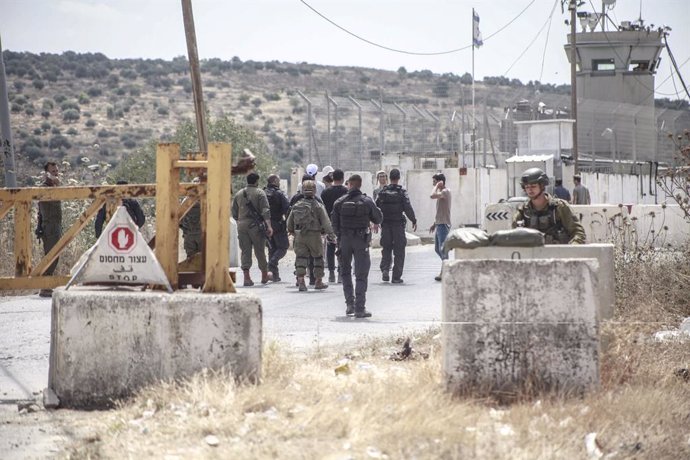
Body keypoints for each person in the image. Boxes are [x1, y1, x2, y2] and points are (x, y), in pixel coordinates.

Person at [332, 174, 383, 318]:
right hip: (361, 240)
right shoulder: (367, 201)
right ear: (360, 185)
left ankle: (350, 305)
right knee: (361, 274)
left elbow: (334, 224)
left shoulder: (339, 202)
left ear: (349, 185)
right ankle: (360, 308)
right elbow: (378, 218)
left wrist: (341, 237)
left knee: (345, 272)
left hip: (344, 240)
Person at [513, 168, 586, 244]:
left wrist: (571, 248)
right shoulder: (523, 211)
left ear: (542, 186)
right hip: (532, 254)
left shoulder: (559, 207)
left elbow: (578, 232)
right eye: (527, 187)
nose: (530, 190)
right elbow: (514, 236)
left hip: (558, 254)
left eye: (533, 186)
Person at [287, 180, 336, 291]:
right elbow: (326, 222)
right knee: (318, 258)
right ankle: (318, 281)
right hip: (315, 235)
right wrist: (331, 235)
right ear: (314, 190)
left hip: (300, 235)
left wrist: (293, 232)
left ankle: (301, 281)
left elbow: (289, 223)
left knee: (301, 258)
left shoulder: (296, 205)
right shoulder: (318, 205)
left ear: (303, 191)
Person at [375, 168, 417, 284]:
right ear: (398, 178)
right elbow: (408, 208)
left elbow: (375, 207)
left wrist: (375, 221)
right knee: (399, 251)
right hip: (398, 225)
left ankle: (385, 269)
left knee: (386, 248)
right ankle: (396, 276)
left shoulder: (382, 192)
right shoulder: (402, 192)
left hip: (386, 225)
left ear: (390, 178)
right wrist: (413, 220)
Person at [232, 172, 273, 286]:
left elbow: (234, 212)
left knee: (245, 251)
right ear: (257, 181)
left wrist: (241, 221)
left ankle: (247, 278)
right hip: (256, 226)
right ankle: (264, 275)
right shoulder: (260, 193)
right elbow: (265, 210)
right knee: (259, 250)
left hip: (242, 225)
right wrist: (269, 226)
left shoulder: (239, 193)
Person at [35, 161, 62, 297]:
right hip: (49, 226)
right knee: (50, 255)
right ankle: (44, 286)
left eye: (56, 171)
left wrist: (56, 182)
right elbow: (41, 210)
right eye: (53, 171)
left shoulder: (56, 186)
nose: (56, 173)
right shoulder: (44, 188)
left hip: (57, 224)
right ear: (46, 173)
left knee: (55, 255)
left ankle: (46, 285)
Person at [320, 168, 348, 283]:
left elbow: (322, 210)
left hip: (330, 224)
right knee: (342, 248)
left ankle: (331, 273)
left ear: (332, 178)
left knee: (330, 249)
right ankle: (341, 273)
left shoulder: (325, 192)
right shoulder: (346, 192)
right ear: (342, 179)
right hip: (344, 224)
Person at [264, 174, 290, 282]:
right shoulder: (279, 193)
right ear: (274, 181)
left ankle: (274, 275)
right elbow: (287, 208)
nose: (279, 182)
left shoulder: (263, 193)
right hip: (278, 224)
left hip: (265, 224)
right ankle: (272, 264)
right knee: (283, 247)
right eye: (278, 180)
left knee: (272, 249)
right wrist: (289, 223)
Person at [429, 173, 451, 282]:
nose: (433, 184)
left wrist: (437, 186)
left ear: (440, 181)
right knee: (437, 249)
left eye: (434, 181)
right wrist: (434, 224)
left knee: (443, 249)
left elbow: (431, 195)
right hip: (439, 224)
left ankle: (446, 271)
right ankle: (447, 267)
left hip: (443, 225)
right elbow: (441, 211)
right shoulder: (442, 193)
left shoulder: (445, 192)